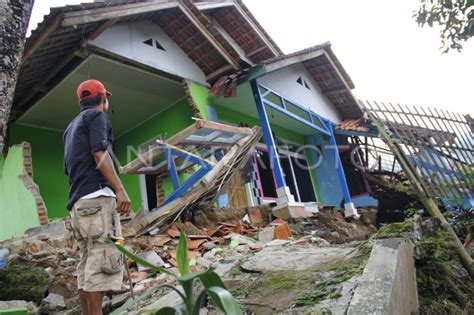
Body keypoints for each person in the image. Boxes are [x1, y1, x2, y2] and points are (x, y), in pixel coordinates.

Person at [64, 79, 131, 315]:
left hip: (78, 205)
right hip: (98, 200)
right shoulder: (97, 117)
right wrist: (120, 189)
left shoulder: (71, 128)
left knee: (86, 266)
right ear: (103, 98)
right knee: (103, 261)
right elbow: (99, 152)